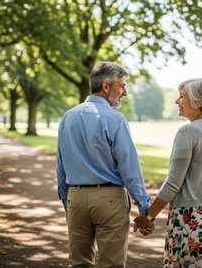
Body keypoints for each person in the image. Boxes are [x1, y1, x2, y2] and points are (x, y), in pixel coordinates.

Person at [134, 78, 202, 267]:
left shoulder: (188, 132)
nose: (177, 101)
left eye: (181, 96)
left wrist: (148, 216)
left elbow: (173, 183)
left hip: (192, 220)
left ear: (197, 102)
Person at [56, 61, 151, 268]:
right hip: (109, 200)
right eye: (122, 86)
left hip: (76, 198)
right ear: (106, 86)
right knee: (111, 264)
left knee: (78, 263)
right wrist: (144, 207)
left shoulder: (67, 117)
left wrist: (67, 203)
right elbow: (129, 168)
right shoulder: (115, 120)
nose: (124, 92)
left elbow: (61, 165)